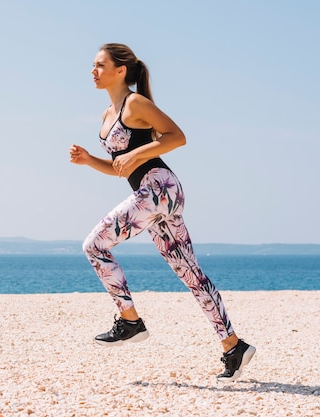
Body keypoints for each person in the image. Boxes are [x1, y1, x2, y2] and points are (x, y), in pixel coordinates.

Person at [69, 43, 255, 382]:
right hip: (153, 194)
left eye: (99, 65)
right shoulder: (106, 116)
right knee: (191, 274)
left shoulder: (135, 103)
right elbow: (120, 167)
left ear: (120, 70)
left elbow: (177, 137)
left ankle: (130, 321)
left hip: (160, 188)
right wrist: (89, 161)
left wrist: (139, 154)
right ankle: (234, 347)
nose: (93, 71)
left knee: (95, 245)